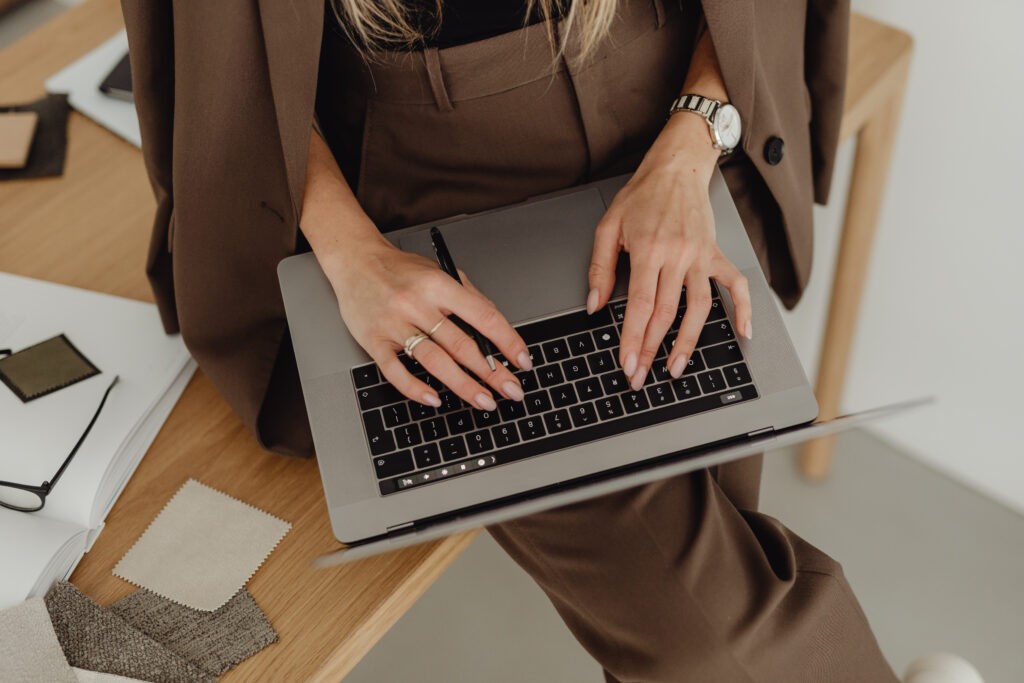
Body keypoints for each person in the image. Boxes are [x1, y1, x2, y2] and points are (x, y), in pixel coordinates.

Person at [119, 0, 940, 679]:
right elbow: (227, 62)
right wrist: (351, 251)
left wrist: (693, 142)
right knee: (711, 639)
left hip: (671, 113)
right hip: (428, 183)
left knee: (711, 528)